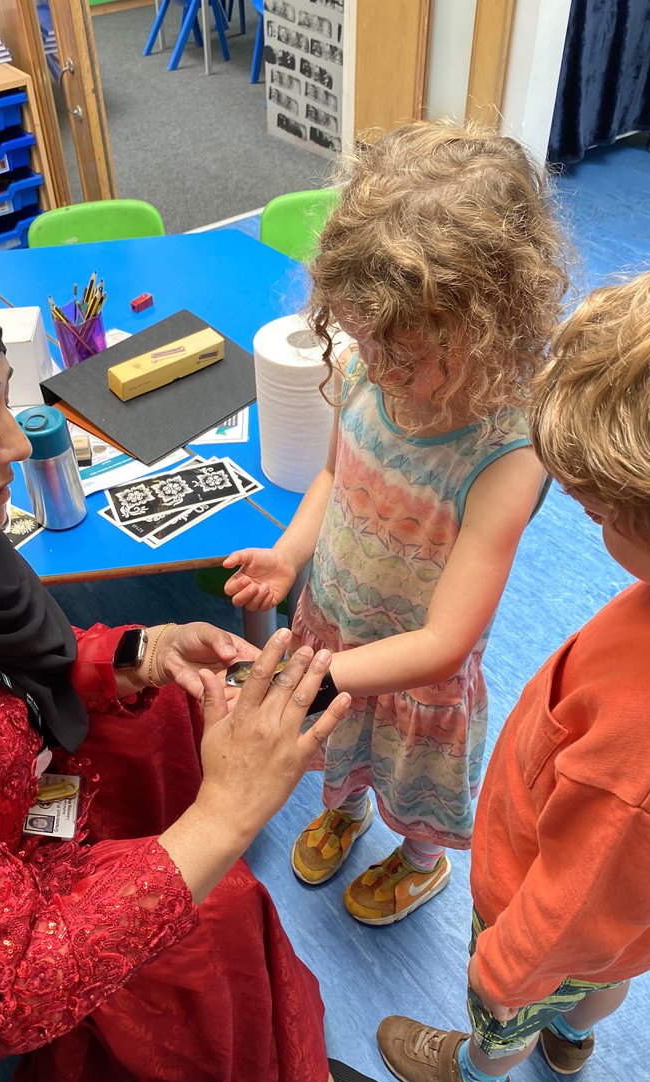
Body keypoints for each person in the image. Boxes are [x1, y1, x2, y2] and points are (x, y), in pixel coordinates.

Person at [0, 250, 388, 1082]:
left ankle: (177, 1028)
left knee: (161, 708)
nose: (15, 442)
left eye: (7, 400)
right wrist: (222, 818)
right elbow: (8, 988)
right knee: (214, 910)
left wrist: (137, 651)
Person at [376, 256, 650, 1082]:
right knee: (605, 976)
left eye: (604, 513)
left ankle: (481, 1079)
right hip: (643, 923)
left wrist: (508, 972)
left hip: (547, 914)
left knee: (518, 1001)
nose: (585, 514)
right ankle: (576, 1030)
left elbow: (587, 890)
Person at [223, 121, 568, 924]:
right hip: (334, 625)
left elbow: (445, 643)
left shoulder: (508, 454)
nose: (377, 365)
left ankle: (417, 865)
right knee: (342, 755)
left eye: (404, 355)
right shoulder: (362, 372)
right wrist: (287, 556)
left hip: (417, 674)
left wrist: (314, 684)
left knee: (413, 784)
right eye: (364, 338)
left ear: (485, 327)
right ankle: (346, 811)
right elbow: (336, 480)